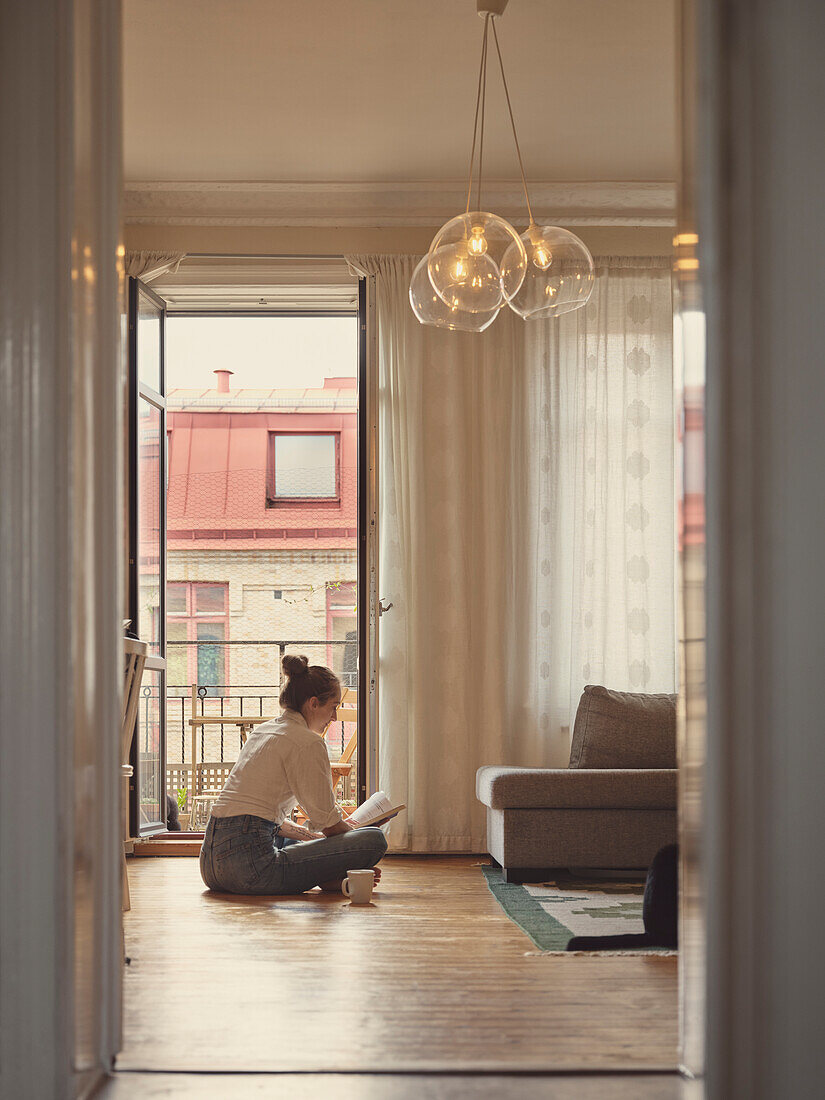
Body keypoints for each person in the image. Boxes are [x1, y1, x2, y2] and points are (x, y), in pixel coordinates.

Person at [199, 655, 387, 895]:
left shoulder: (263, 732)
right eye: (334, 706)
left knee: (295, 841)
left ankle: (331, 880)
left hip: (211, 867)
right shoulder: (308, 743)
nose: (335, 717)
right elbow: (328, 823)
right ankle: (333, 876)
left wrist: (319, 841)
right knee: (373, 839)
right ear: (313, 703)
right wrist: (351, 848)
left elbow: (257, 817)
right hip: (252, 869)